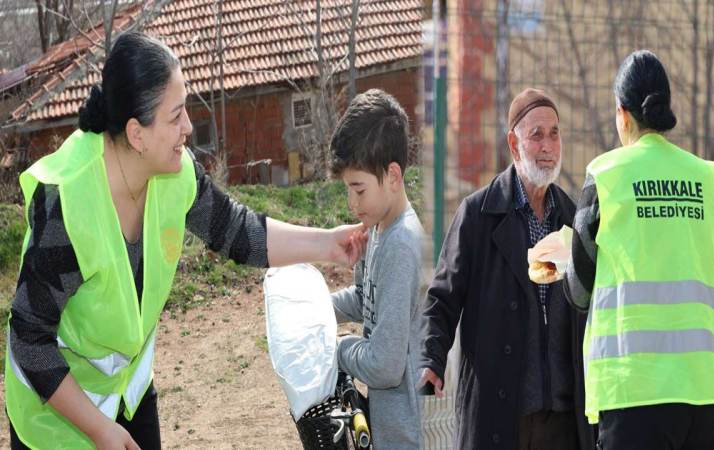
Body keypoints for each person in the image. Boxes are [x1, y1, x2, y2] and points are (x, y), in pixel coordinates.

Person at [5, 31, 365, 450]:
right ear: (136, 134)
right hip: (59, 416)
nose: (189, 128)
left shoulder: (174, 173)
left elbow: (237, 230)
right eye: (175, 116)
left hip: (128, 393)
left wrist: (328, 245)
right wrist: (100, 429)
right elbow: (29, 340)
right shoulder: (66, 205)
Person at [563, 49, 714, 450]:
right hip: (702, 391)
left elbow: (577, 290)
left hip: (632, 393)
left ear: (622, 113)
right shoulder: (709, 180)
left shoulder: (605, 176)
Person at [418, 88, 595, 450]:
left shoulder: (572, 216)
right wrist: (430, 358)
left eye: (555, 133)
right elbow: (443, 296)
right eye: (537, 135)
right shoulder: (478, 215)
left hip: (562, 418)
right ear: (514, 146)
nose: (548, 146)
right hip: (501, 415)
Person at [328, 89, 424, 449]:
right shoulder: (379, 229)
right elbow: (366, 297)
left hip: (409, 435)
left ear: (393, 176)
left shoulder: (402, 244)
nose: (352, 203)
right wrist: (319, 310)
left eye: (359, 190)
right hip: (390, 428)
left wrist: (336, 348)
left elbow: (385, 365)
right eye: (347, 190)